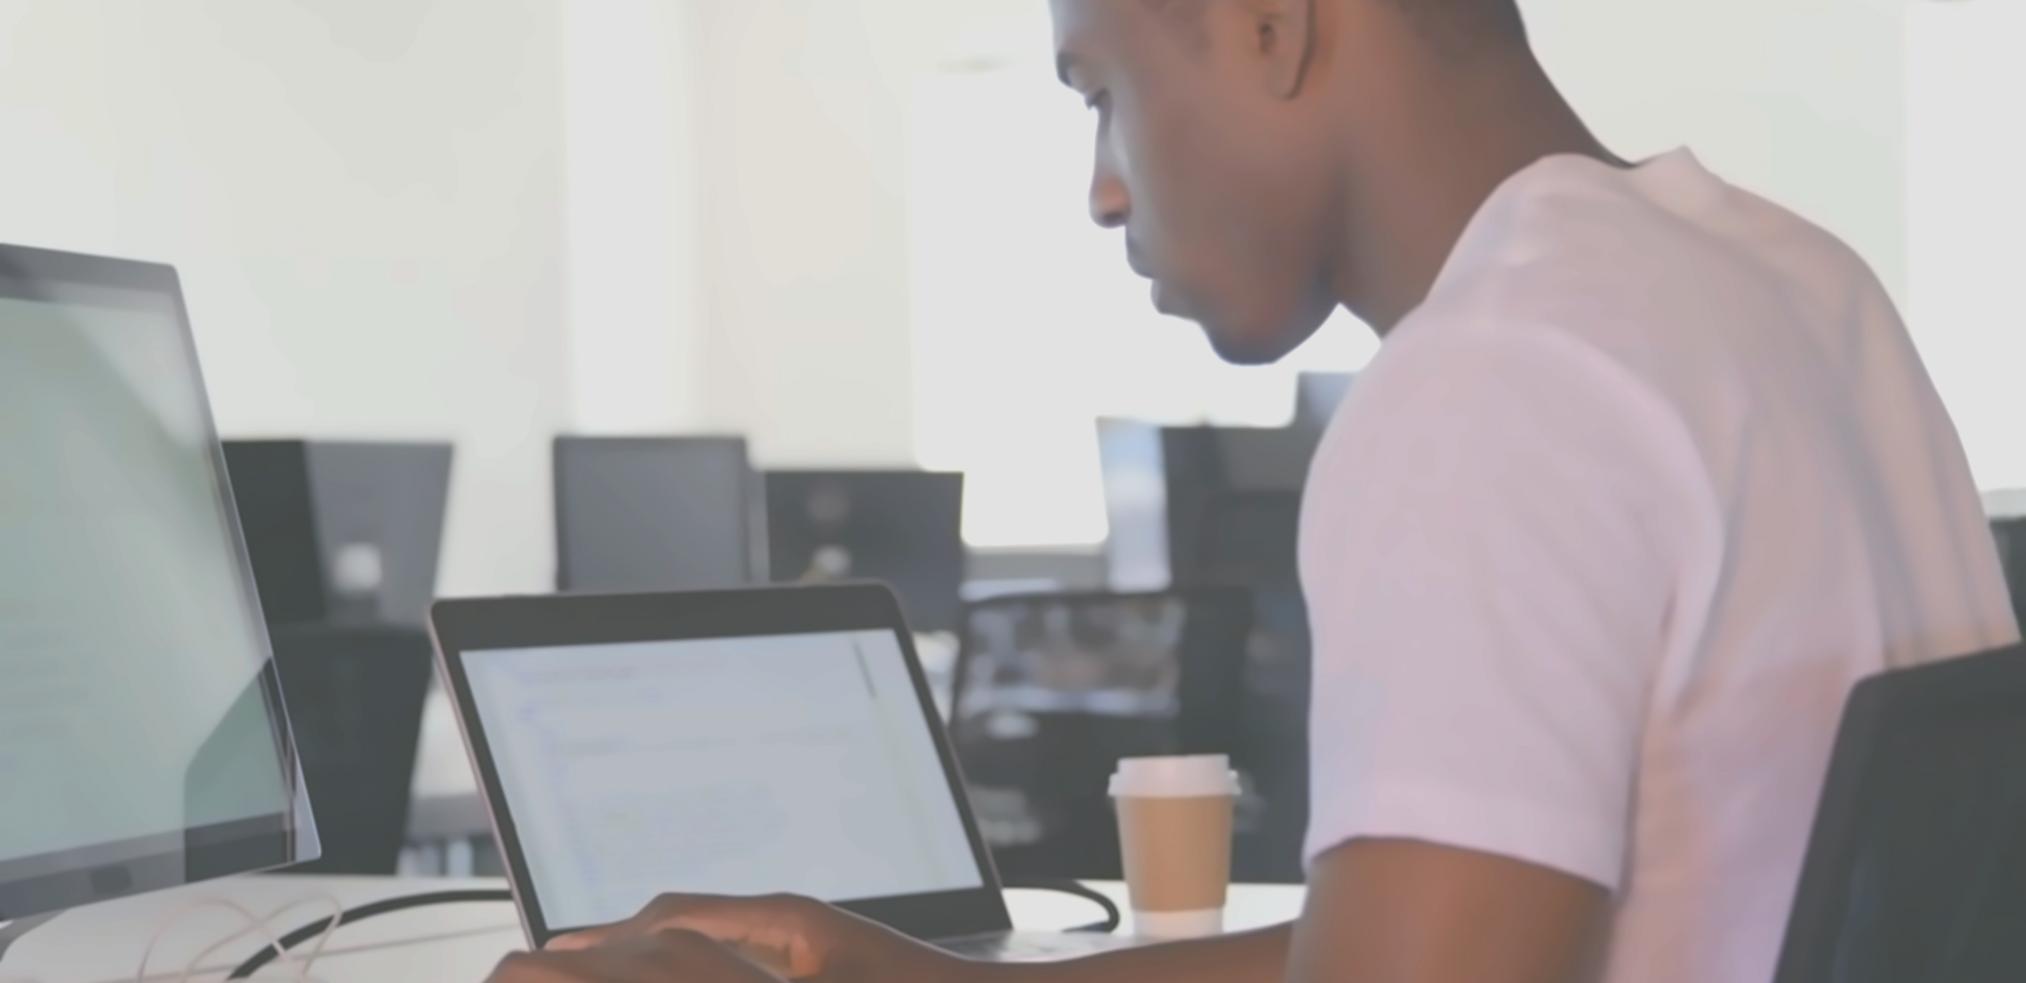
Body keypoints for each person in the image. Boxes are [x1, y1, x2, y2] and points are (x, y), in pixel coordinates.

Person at [488, 0, 2017, 981]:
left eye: (1098, 87)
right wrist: (912, 979)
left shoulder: (1493, 382)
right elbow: (1446, 938)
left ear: (1272, 25)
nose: (1099, 184)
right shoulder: (1794, 286)